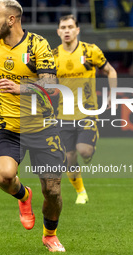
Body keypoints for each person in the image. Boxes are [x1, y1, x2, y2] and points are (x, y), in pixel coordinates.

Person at [0, 0, 67, 252]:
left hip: (43, 128)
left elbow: (51, 85)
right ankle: (24, 196)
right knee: (4, 177)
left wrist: (20, 87)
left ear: (11, 20)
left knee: (53, 191)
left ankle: (49, 235)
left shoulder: (37, 45)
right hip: (8, 128)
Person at [52, 15, 117, 204]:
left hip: (87, 111)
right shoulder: (53, 56)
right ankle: (81, 192)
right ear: (58, 31)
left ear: (77, 30)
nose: (66, 30)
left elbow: (111, 71)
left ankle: (89, 147)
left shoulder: (90, 51)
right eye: (63, 27)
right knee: (68, 158)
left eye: (70, 27)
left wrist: (113, 94)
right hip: (63, 114)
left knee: (84, 151)